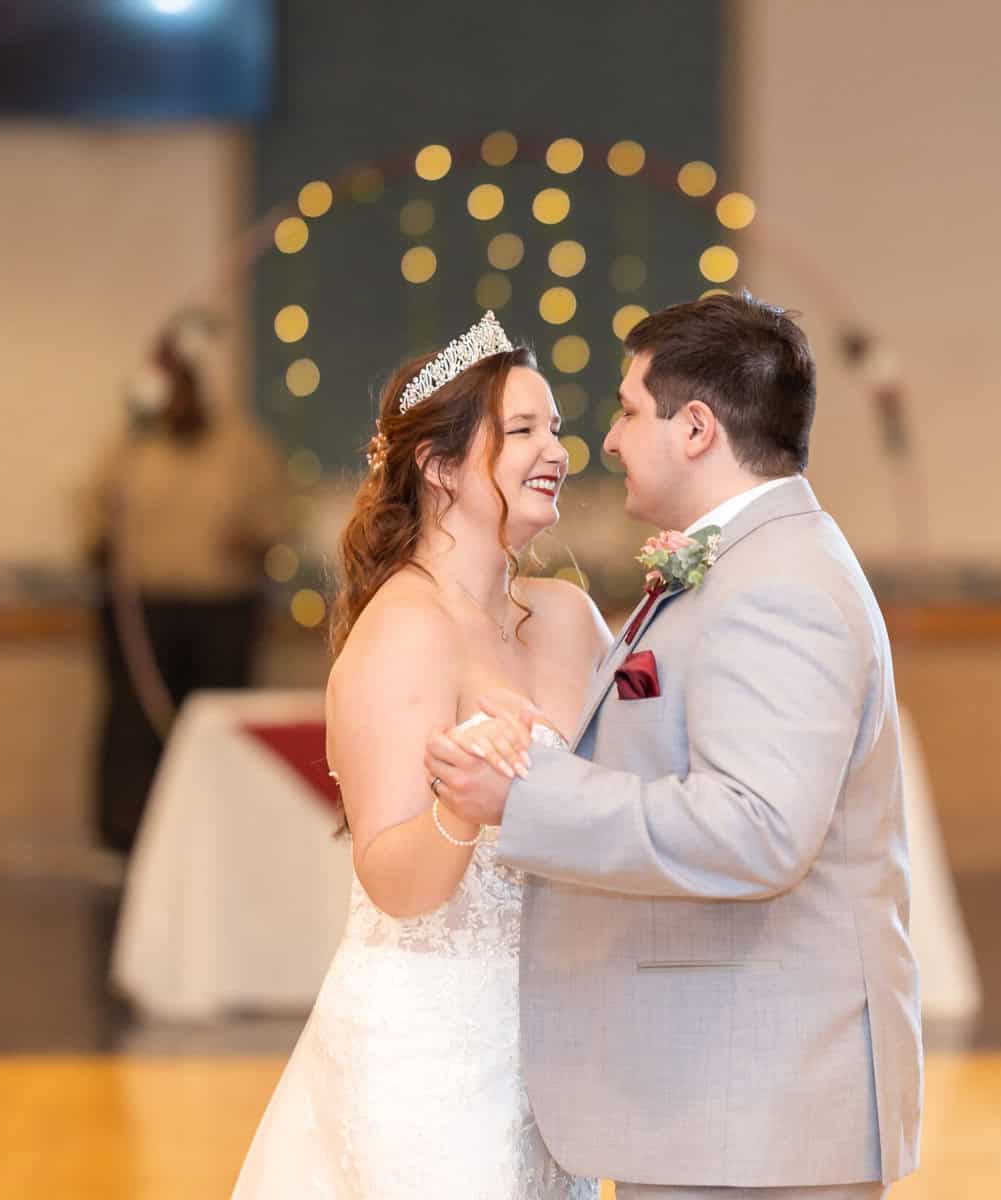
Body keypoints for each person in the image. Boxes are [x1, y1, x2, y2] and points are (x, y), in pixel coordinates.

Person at [426, 293, 924, 1198]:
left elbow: (758, 831)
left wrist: (526, 797)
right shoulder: (745, 562)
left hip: (758, 1110)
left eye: (626, 410)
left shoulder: (780, 585)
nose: (608, 441)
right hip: (720, 1103)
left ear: (695, 428)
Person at [231, 313, 604, 1198]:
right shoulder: (400, 631)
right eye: (520, 431)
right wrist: (460, 812)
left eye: (554, 427)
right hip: (430, 1056)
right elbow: (395, 884)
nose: (555, 449)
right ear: (438, 466)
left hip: (562, 1049)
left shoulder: (567, 617)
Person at [83, 310, 287, 852]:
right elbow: (94, 516)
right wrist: (104, 543)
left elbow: (277, 516)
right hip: (144, 612)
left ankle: (216, 840)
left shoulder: (242, 446)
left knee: (216, 728)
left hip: (220, 610)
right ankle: (125, 841)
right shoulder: (132, 447)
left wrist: (252, 539)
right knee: (135, 724)